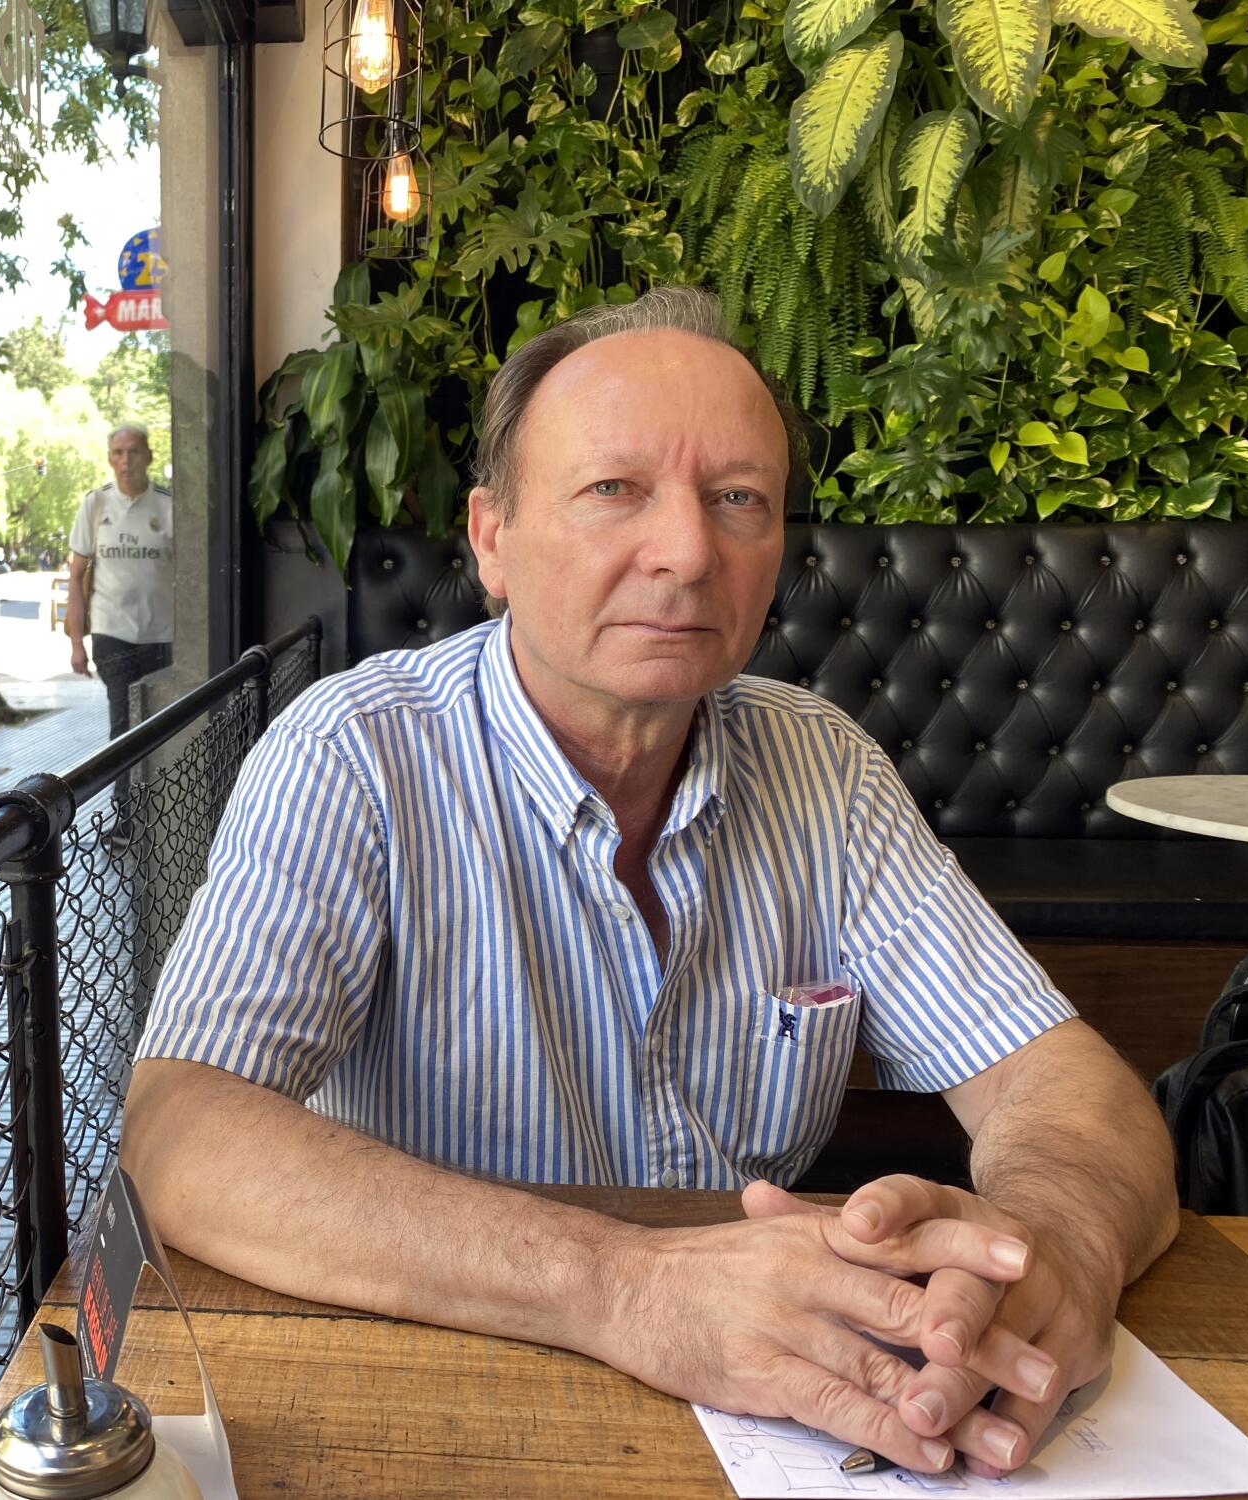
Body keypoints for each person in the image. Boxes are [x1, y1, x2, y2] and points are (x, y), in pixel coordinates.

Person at [119, 288, 1178, 1480]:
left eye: (736, 499)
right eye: (613, 490)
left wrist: (1049, 1258)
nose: (684, 552)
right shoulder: (356, 755)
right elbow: (178, 1131)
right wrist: (626, 1289)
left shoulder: (821, 764)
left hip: (759, 1420)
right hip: (444, 1391)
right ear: (491, 540)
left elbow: (1062, 1083)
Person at [67, 423, 172, 739]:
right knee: (123, 724)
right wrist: (76, 645)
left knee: (159, 726)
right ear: (110, 459)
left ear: (149, 457)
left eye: (134, 452)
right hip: (112, 631)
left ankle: (150, 789)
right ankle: (124, 791)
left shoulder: (170, 505)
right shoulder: (96, 504)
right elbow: (75, 577)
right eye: (119, 453)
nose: (127, 460)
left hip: (162, 635)